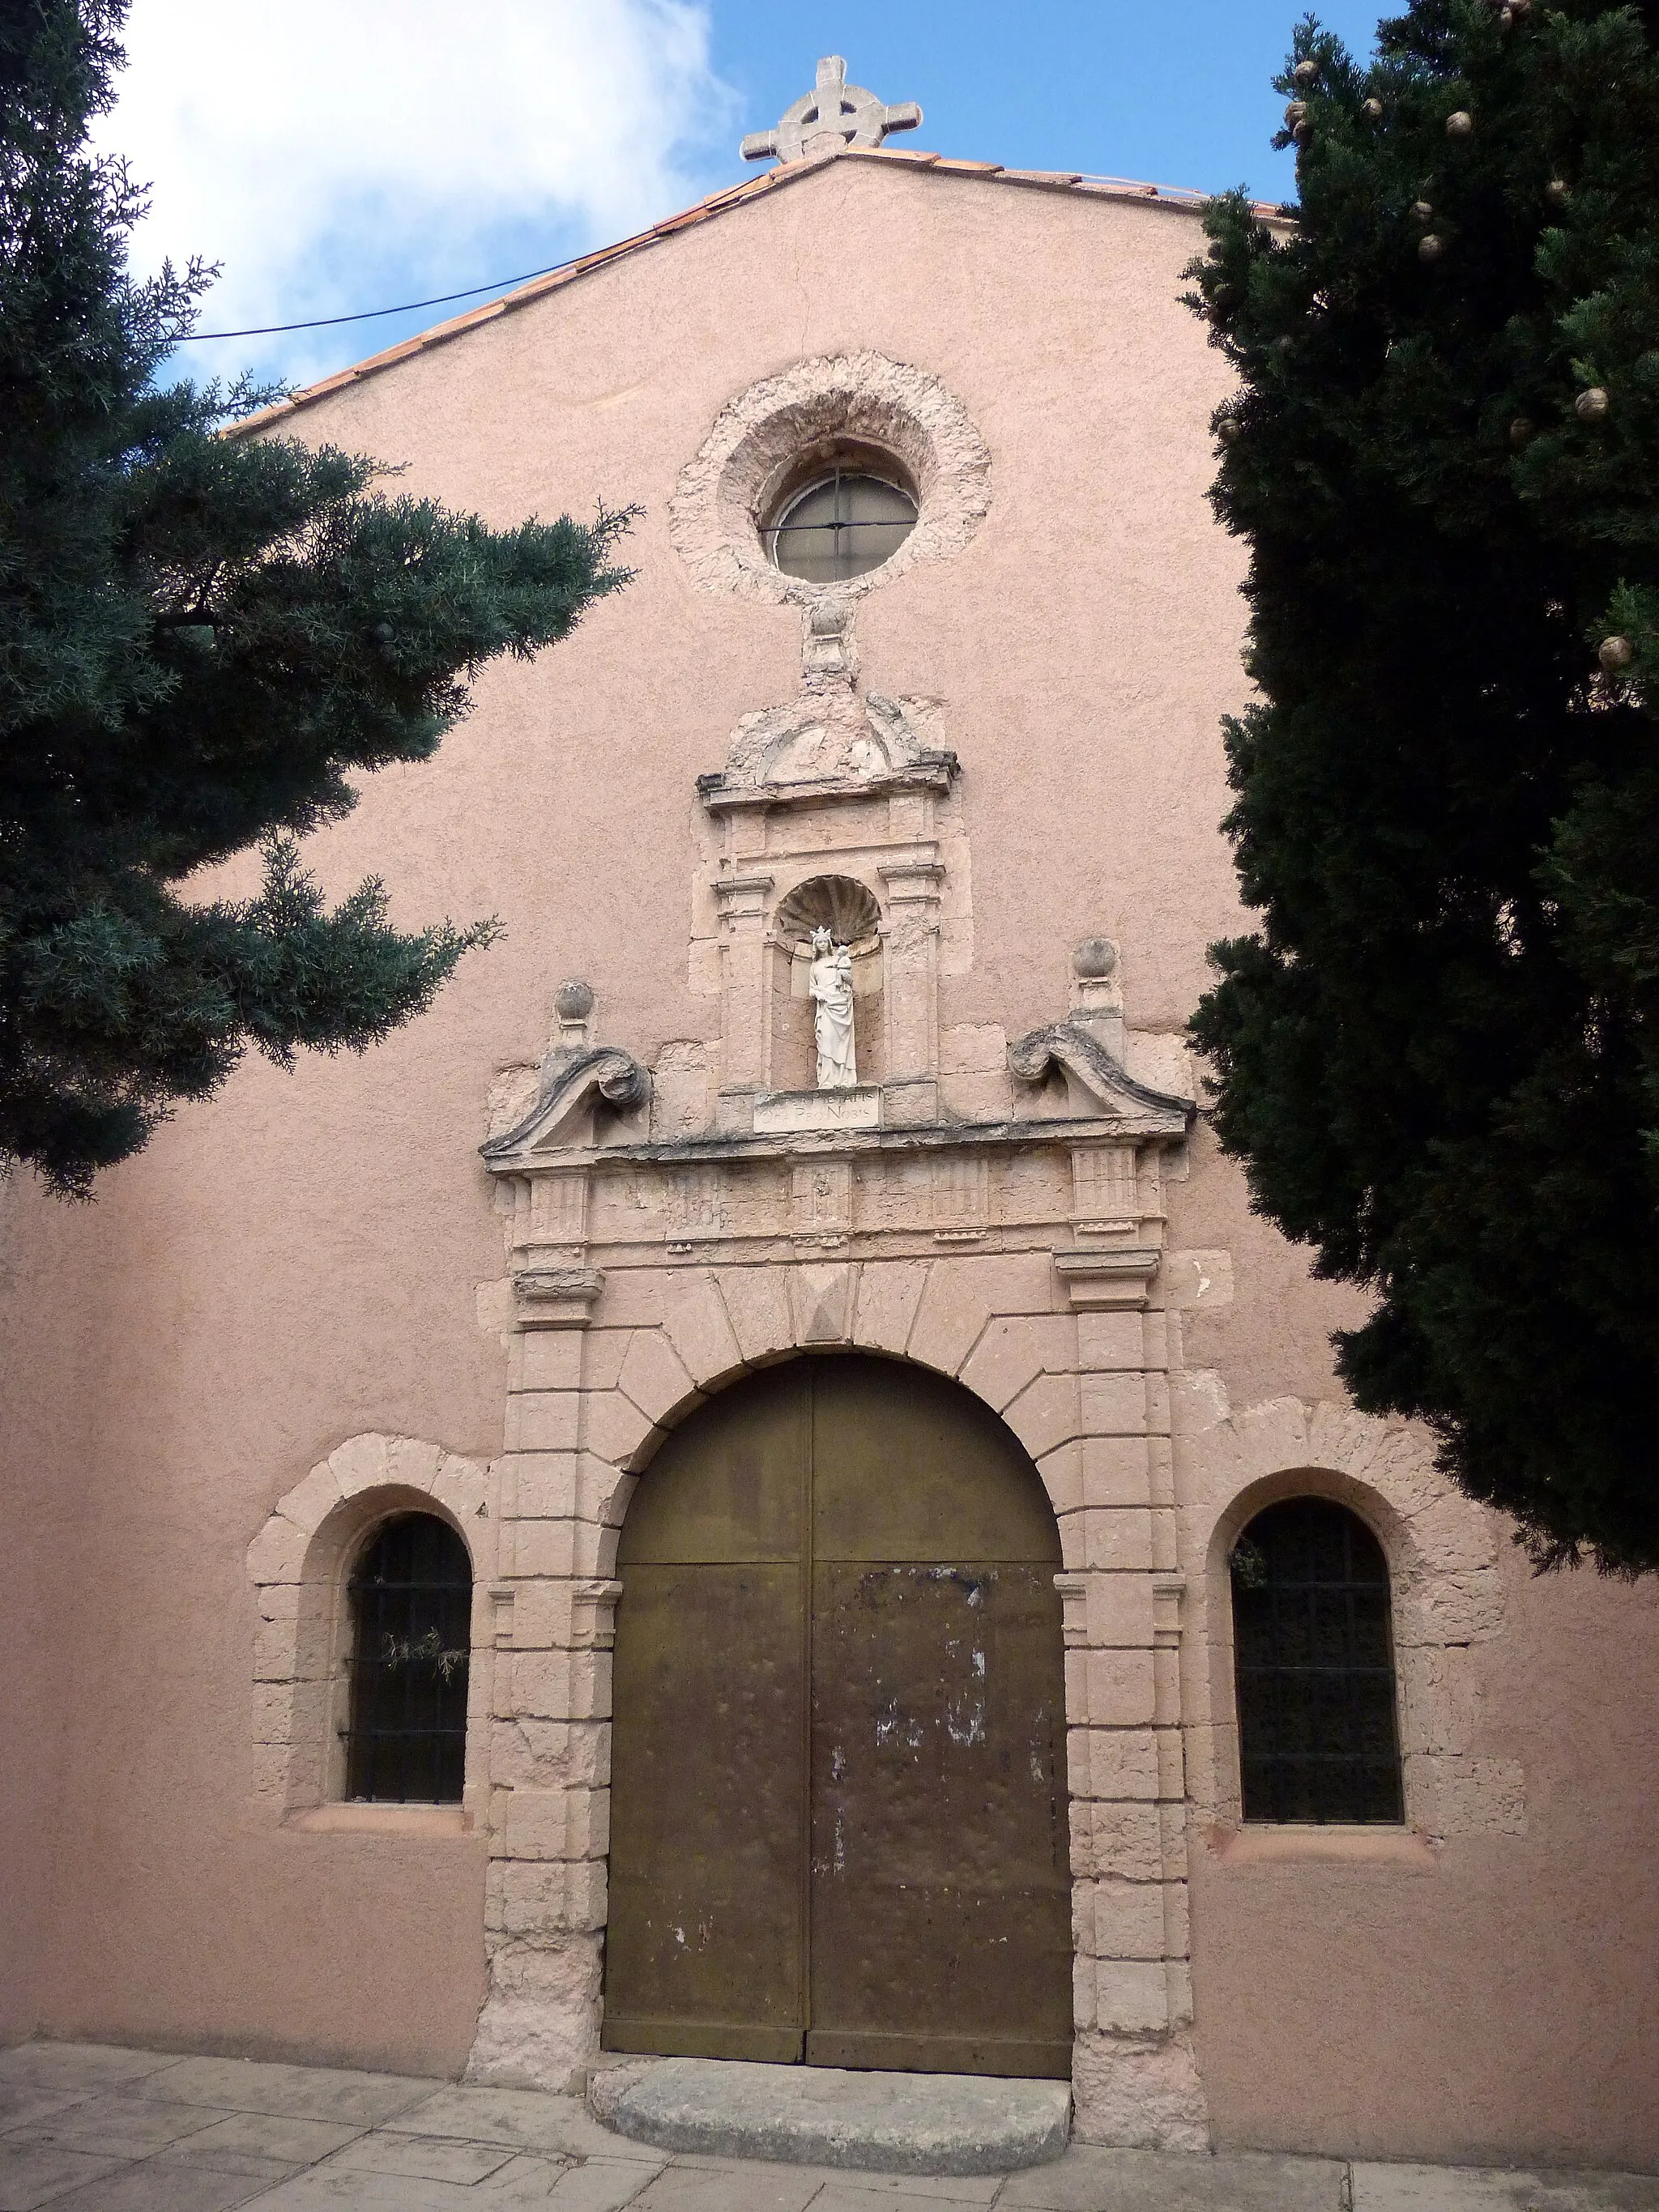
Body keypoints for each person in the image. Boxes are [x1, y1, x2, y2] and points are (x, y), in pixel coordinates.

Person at [808, 927, 857, 1088]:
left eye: (824, 941)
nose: (822, 944)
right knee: (826, 1040)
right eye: (819, 942)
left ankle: (844, 1078)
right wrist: (817, 994)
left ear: (829, 943)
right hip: (825, 1006)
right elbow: (811, 988)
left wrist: (844, 977)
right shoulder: (814, 966)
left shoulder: (837, 960)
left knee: (842, 1042)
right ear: (815, 945)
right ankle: (827, 1079)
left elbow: (849, 980)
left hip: (840, 1002)